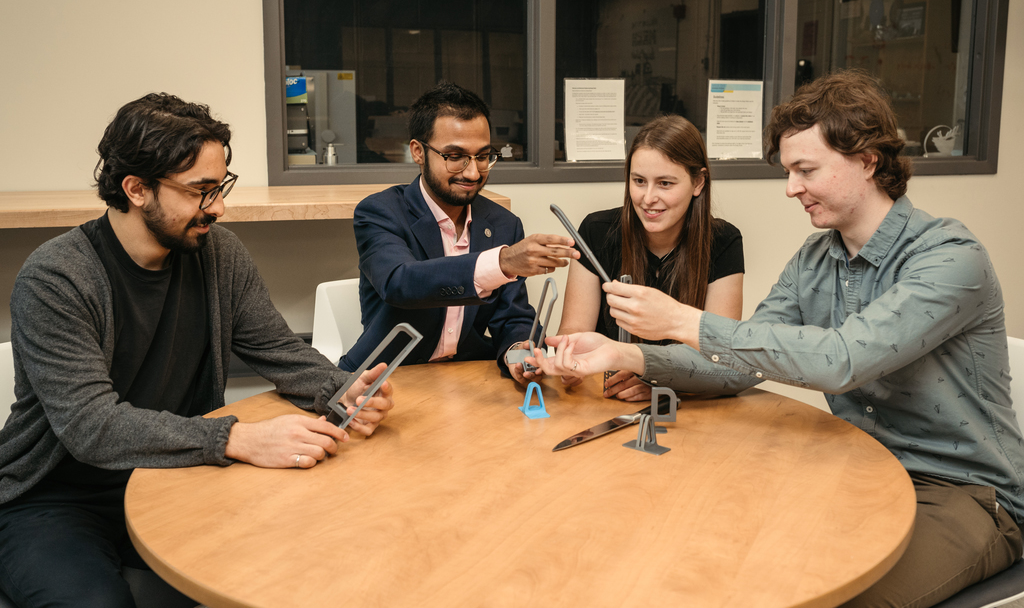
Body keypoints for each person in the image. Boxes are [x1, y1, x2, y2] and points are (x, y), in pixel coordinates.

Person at [531, 70, 1024, 607]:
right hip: (859, 468)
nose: (791, 188)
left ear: (867, 160)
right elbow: (736, 364)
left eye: (805, 170)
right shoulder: (816, 259)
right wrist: (624, 352)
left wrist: (680, 322)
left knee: (833, 597)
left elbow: (844, 360)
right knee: (721, 552)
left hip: (962, 494)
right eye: (789, 171)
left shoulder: (950, 257)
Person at [0, 93, 395, 608]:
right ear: (136, 189)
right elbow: (91, 427)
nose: (219, 207)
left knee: (289, 570)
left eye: (221, 186)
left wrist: (342, 390)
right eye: (200, 191)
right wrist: (238, 440)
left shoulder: (219, 253)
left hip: (172, 481)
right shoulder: (56, 278)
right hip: (55, 498)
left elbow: (277, 348)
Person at [338, 81, 579, 382]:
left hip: (467, 377)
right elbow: (401, 282)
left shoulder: (503, 223)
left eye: (482, 156)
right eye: (455, 157)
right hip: (386, 378)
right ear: (418, 152)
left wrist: (521, 355)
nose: (473, 172)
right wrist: (501, 263)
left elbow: (513, 317)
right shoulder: (380, 212)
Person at [557, 115, 743, 402]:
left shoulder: (723, 241)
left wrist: (667, 381)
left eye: (665, 183)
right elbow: (573, 331)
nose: (648, 198)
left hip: (689, 409)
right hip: (604, 398)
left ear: (698, 182)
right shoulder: (596, 232)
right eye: (639, 181)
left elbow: (720, 352)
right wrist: (569, 360)